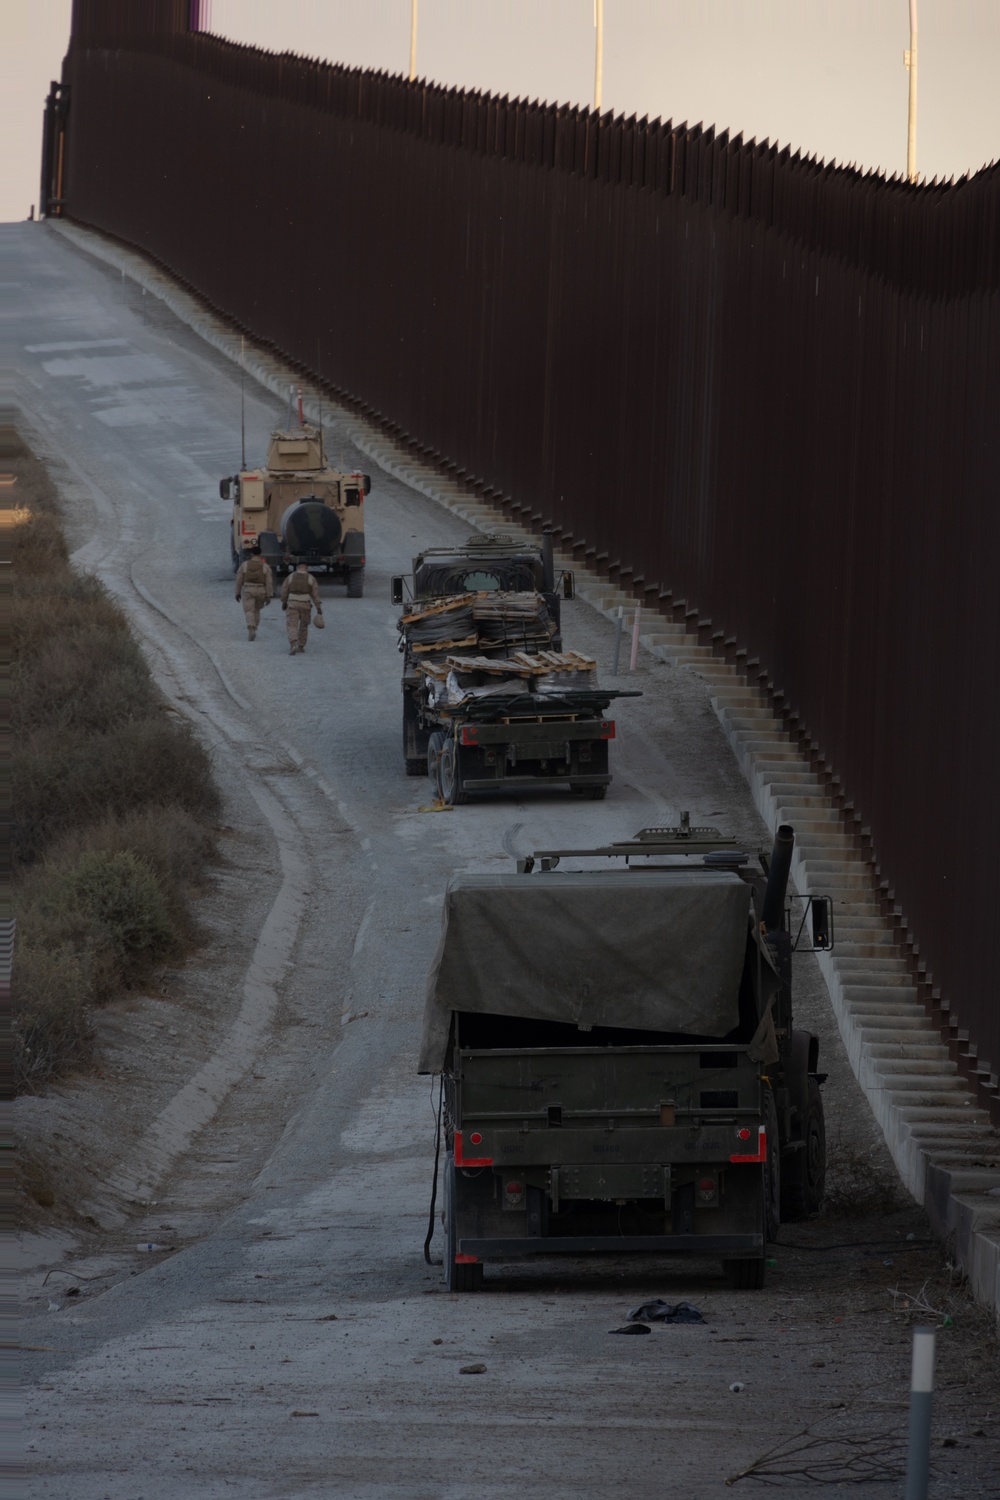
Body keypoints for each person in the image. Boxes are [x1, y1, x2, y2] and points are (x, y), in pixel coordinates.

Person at [281, 561, 323, 655]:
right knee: (304, 626)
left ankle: (293, 643)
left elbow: (284, 590)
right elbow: (315, 594)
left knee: (292, 625)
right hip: (305, 604)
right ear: (306, 568)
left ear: (297, 568)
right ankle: (301, 645)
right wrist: (318, 608)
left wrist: (284, 602)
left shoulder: (290, 577)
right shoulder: (311, 578)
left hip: (292, 603)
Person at [234, 543, 273, 640]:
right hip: (261, 590)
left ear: (251, 554)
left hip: (248, 589)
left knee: (249, 610)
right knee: (257, 610)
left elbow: (239, 579)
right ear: (260, 554)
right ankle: (255, 628)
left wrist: (237, 593)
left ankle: (251, 627)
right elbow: (269, 582)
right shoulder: (265, 566)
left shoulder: (245, 565)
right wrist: (269, 595)